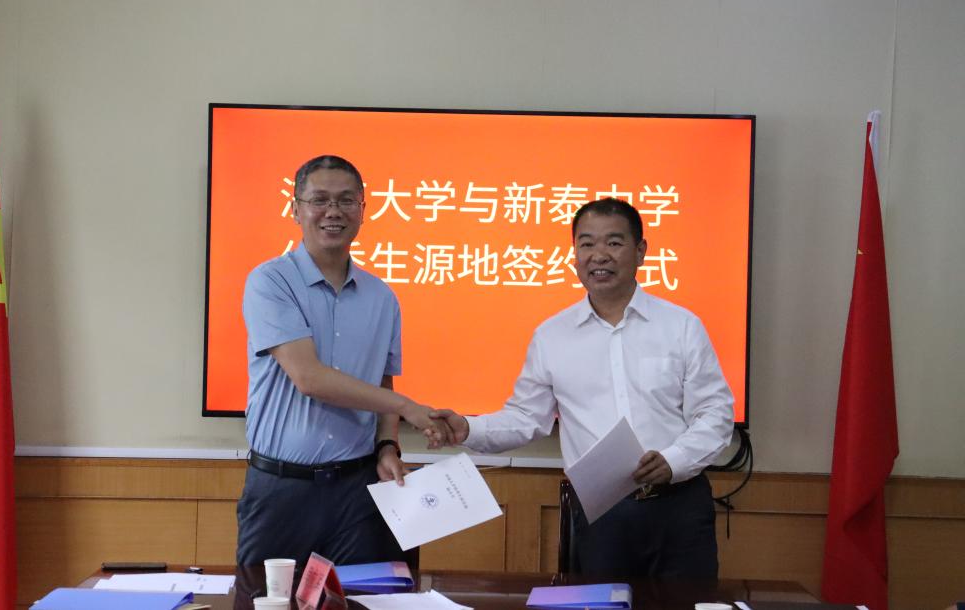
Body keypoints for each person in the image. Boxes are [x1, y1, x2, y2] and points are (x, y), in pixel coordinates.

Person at [433, 198, 734, 579]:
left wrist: (674, 459)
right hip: (602, 513)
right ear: (575, 254)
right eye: (586, 243)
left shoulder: (681, 326)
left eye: (614, 242)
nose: (599, 255)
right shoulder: (552, 336)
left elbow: (716, 414)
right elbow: (527, 418)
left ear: (641, 251)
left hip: (679, 507)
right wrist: (468, 427)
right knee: (601, 603)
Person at [236, 154, 450, 567]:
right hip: (282, 488)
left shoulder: (382, 297)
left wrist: (387, 446)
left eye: (346, 200)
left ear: (363, 210)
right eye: (320, 200)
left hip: (358, 491)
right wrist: (408, 407)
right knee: (268, 596)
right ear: (295, 209)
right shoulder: (271, 281)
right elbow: (309, 378)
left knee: (361, 596)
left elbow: (382, 383)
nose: (333, 211)